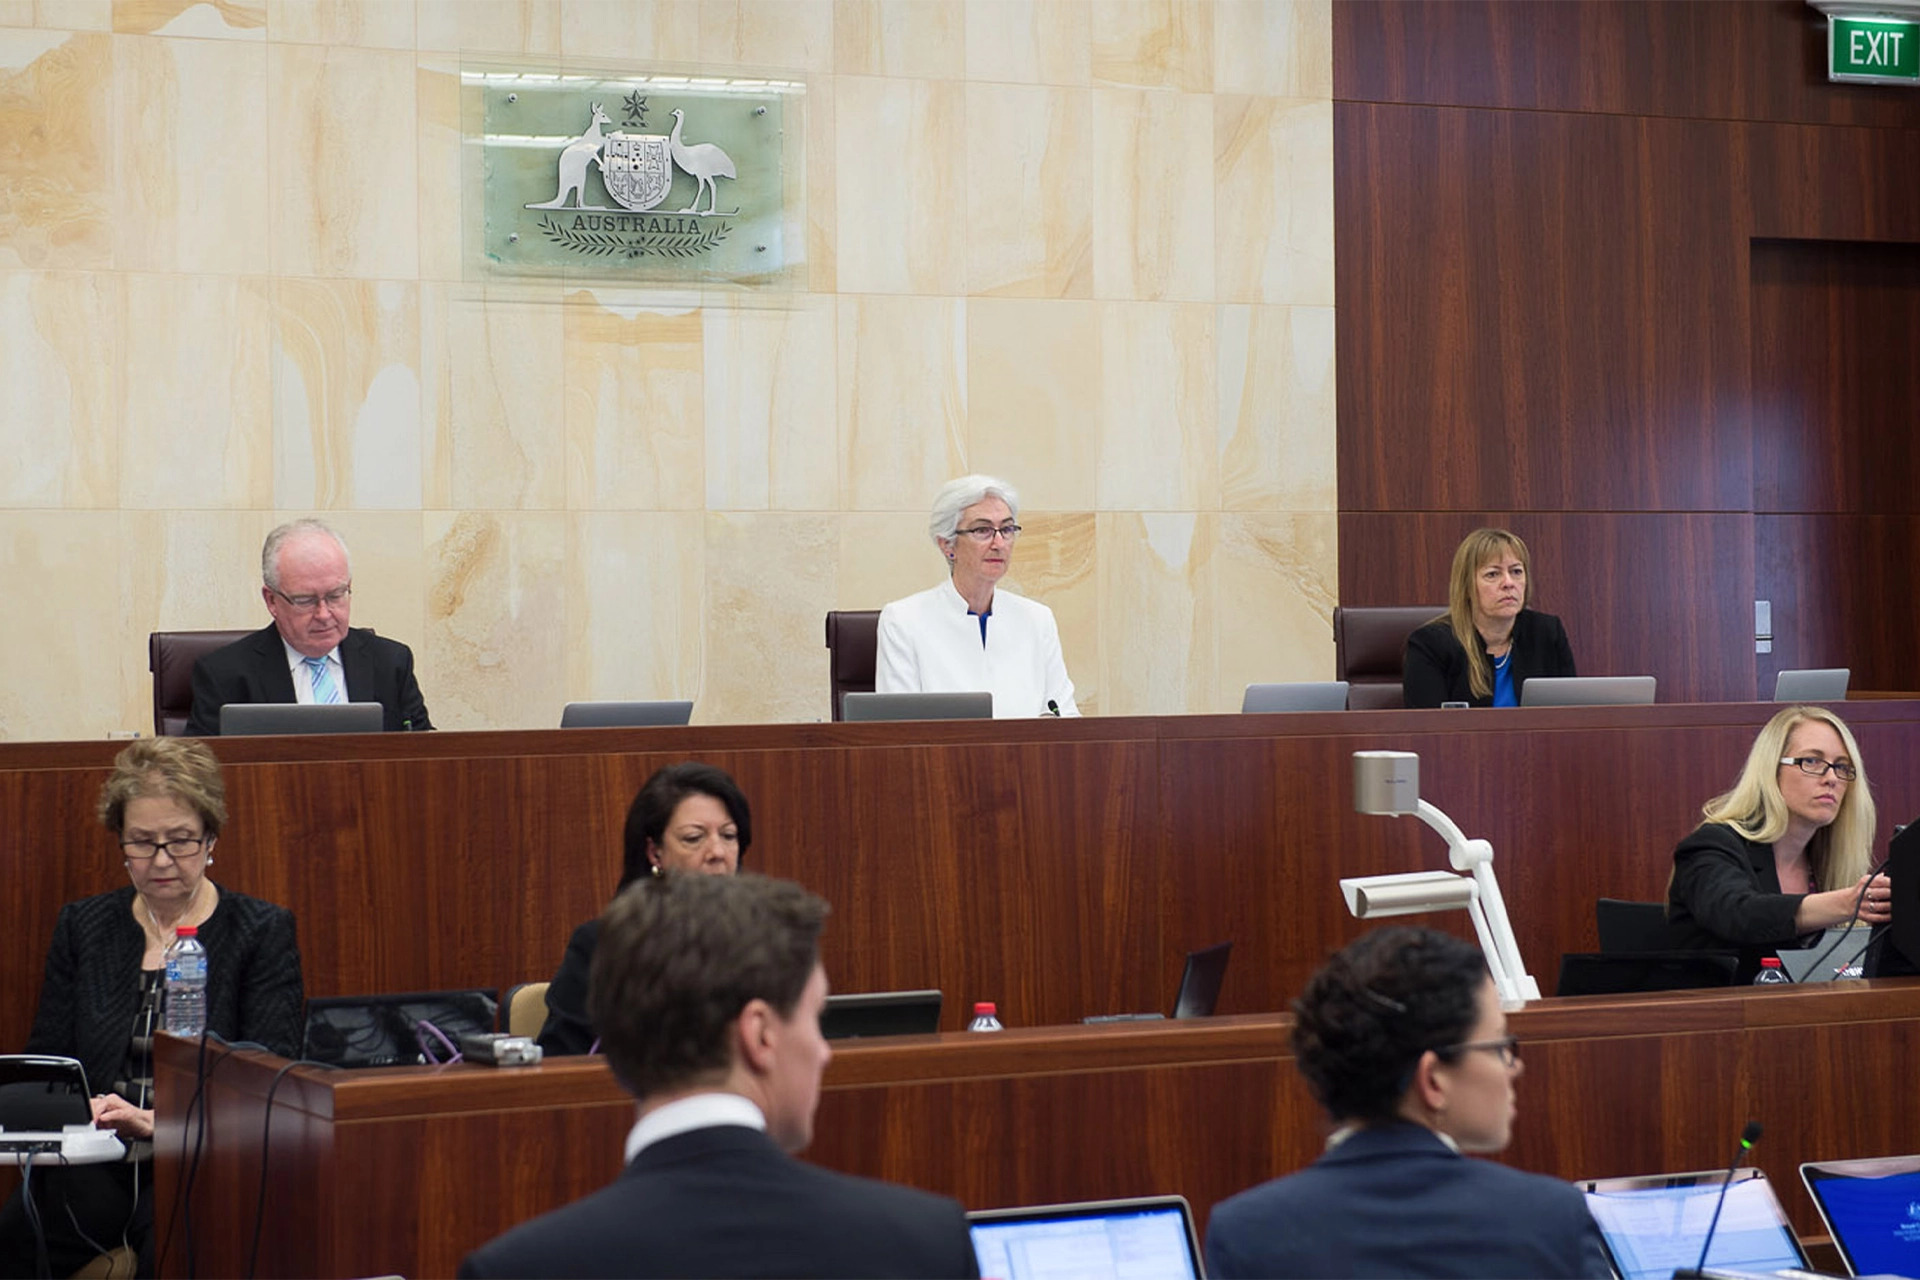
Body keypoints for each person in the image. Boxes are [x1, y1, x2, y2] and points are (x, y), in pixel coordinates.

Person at [460, 873, 980, 1280]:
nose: (824, 1053)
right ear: (760, 1035)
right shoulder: (924, 1243)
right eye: (814, 1019)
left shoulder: (515, 1270)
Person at [0, 739, 305, 1280]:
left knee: (175, 1244)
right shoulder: (84, 926)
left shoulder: (260, 930)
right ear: (120, 842)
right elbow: (45, 1062)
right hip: (95, 1160)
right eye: (142, 843)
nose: (162, 860)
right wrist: (79, 1108)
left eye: (181, 841)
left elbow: (271, 1079)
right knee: (15, 1239)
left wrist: (158, 1124)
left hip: (199, 1160)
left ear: (212, 839)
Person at [1205, 927, 1611, 1280]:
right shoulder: (1550, 1217)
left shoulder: (1245, 1232)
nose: (1515, 1066)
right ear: (1432, 1079)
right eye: (1500, 1045)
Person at [537, 763, 752, 1056]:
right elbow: (558, 1069)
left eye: (728, 836)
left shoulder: (767, 940)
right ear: (655, 852)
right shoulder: (604, 946)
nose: (717, 853)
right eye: (694, 838)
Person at [1668, 705, 1886, 982]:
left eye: (1841, 767)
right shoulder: (1711, 846)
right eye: (1812, 761)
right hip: (1721, 1017)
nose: (1831, 778)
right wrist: (1848, 904)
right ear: (1771, 770)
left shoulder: (1829, 864)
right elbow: (1740, 914)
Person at [186, 518, 432, 735]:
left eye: (336, 595)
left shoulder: (391, 663)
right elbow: (197, 776)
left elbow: (426, 756)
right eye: (305, 600)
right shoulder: (224, 675)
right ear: (272, 600)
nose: (324, 614)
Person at [875, 474, 1079, 718]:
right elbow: (899, 730)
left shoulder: (1038, 619)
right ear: (947, 545)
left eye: (1007, 529)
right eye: (982, 530)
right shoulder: (903, 620)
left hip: (1024, 756)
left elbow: (1064, 714)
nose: (999, 542)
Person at [1403, 527, 1575, 708]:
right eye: (1493, 574)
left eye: (1516, 571)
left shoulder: (1546, 632)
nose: (1508, 583)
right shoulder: (1430, 644)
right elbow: (1426, 729)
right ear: (1467, 586)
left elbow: (1572, 714)